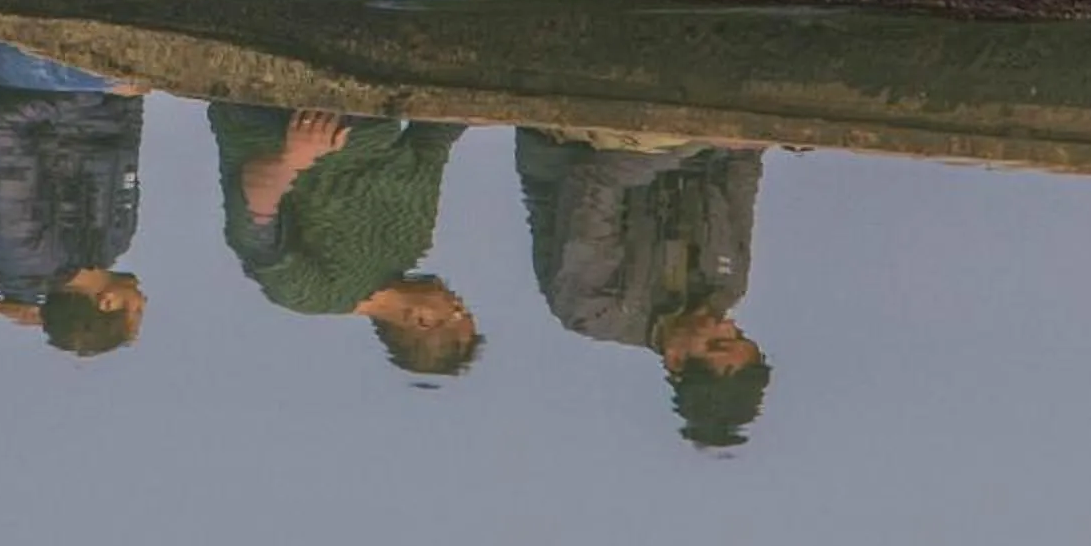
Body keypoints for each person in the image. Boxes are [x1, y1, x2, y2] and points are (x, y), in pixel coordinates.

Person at [514, 131, 772, 448]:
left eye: (715, 342)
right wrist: (756, 138)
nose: (726, 324)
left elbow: (593, 180)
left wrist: (694, 140)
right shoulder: (728, 285)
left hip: (574, 144)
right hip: (684, 140)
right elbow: (741, 176)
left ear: (676, 359)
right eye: (738, 335)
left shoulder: (594, 309)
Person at [210, 105, 482, 378]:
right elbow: (434, 136)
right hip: (372, 96)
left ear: (422, 320)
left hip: (274, 112)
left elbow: (251, 223)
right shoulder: (415, 240)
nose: (459, 300)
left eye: (457, 313)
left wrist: (291, 160)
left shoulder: (313, 295)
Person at [0, 34, 149, 357]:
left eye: (136, 312)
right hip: (83, 78)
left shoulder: (17, 250)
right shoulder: (114, 242)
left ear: (107, 303)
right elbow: (124, 144)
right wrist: (128, 93)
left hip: (16, 73)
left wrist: (92, 87)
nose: (144, 302)